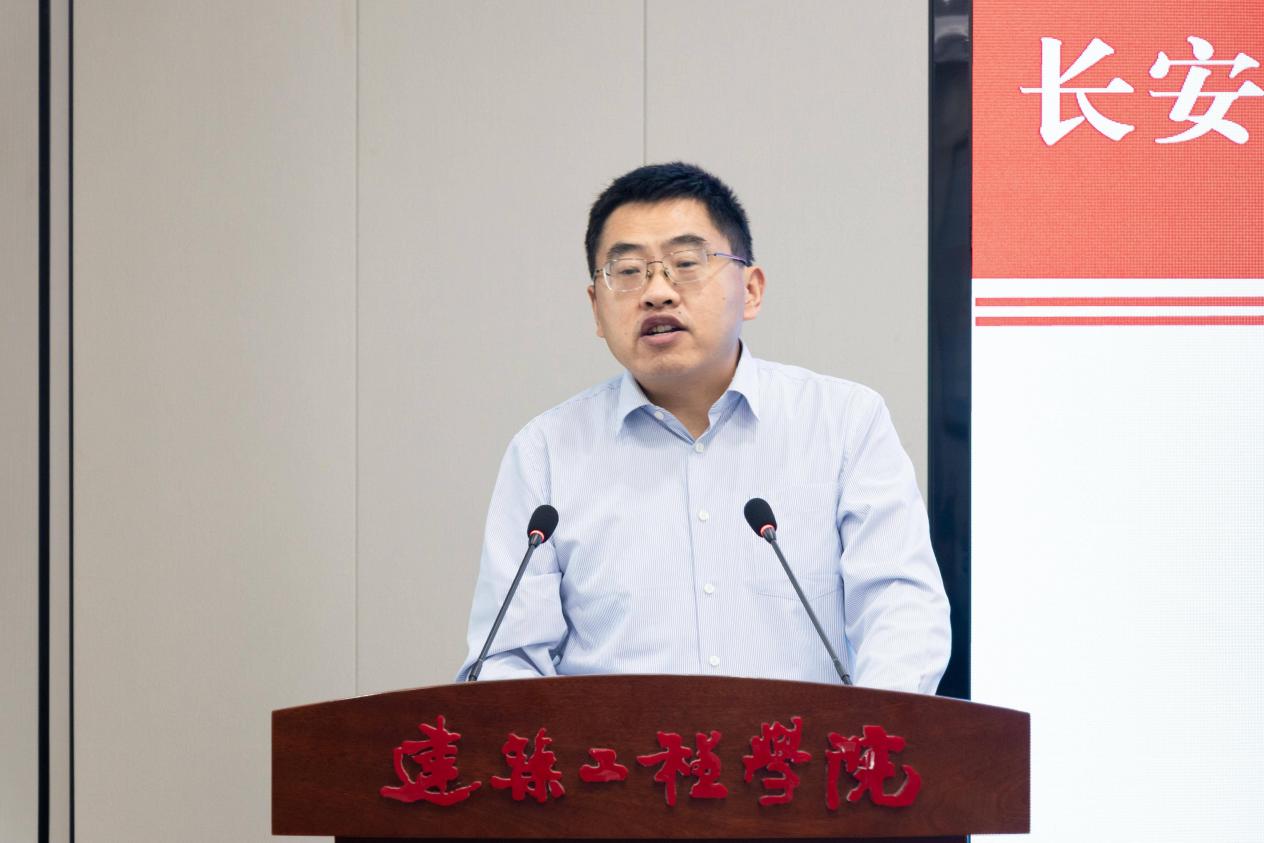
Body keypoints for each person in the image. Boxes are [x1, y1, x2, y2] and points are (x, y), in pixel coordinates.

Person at [456, 163, 950, 693]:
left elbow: (901, 611)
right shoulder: (546, 452)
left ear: (751, 290)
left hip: (801, 747)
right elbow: (506, 661)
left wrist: (870, 733)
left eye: (686, 263)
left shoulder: (844, 422)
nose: (657, 292)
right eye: (627, 271)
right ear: (596, 308)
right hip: (614, 751)